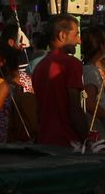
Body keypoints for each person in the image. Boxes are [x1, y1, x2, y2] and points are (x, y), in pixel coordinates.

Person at [32, 15, 89, 148]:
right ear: (62, 35)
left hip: (45, 141)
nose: (79, 41)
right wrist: (88, 138)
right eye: (76, 35)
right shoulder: (71, 64)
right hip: (68, 141)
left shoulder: (39, 67)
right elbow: (74, 108)